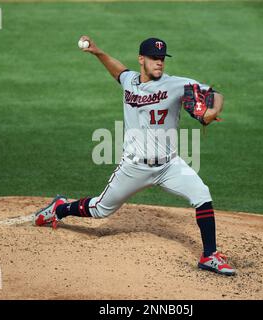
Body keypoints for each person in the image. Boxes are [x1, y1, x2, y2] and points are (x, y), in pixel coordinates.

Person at [34, 36, 236, 276]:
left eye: (162, 59)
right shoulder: (130, 81)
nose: (159, 63)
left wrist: (212, 111)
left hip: (169, 165)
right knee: (100, 209)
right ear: (142, 59)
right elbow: (119, 72)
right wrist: (99, 52)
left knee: (202, 193)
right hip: (134, 167)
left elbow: (216, 94)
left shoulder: (177, 85)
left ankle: (209, 256)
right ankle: (59, 208)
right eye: (154, 58)